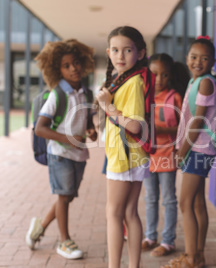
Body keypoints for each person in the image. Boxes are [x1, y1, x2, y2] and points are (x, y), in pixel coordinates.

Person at [163, 36, 216, 268]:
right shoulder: (196, 82)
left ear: (213, 61)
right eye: (194, 57)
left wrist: (182, 150)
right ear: (187, 59)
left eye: (204, 58)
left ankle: (191, 258)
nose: (198, 62)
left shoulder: (205, 83)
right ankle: (198, 255)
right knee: (196, 204)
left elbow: (197, 120)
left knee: (185, 203)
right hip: (199, 149)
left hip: (198, 149)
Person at [25, 39, 97, 259]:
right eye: (66, 65)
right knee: (64, 196)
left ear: (83, 63)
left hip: (79, 154)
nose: (73, 68)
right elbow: (40, 128)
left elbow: (87, 122)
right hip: (60, 153)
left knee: (67, 197)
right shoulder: (57, 95)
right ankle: (64, 241)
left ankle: (40, 227)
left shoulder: (87, 93)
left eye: (76, 63)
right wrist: (67, 139)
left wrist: (91, 130)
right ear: (58, 70)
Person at [96, 26, 152, 268]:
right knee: (129, 212)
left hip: (125, 154)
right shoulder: (124, 80)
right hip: (128, 154)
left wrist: (108, 107)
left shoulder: (132, 82)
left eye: (127, 50)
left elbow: (136, 126)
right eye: (116, 50)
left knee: (115, 214)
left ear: (139, 53)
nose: (120, 56)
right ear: (108, 52)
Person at [141, 53, 189, 257]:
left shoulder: (174, 97)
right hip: (147, 157)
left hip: (167, 155)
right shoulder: (143, 96)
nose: (159, 79)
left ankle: (168, 241)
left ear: (171, 76)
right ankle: (150, 236)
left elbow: (183, 127)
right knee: (150, 198)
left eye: (164, 75)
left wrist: (160, 131)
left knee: (168, 199)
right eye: (154, 74)